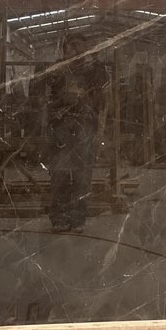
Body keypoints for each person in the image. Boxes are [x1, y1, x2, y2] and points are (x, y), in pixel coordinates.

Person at [45, 33, 108, 233]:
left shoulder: (93, 70)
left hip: (84, 127)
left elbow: (103, 83)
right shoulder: (58, 68)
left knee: (82, 176)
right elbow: (45, 85)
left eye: (79, 46)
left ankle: (78, 218)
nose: (75, 50)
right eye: (71, 46)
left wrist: (95, 59)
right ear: (65, 49)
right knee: (60, 175)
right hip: (61, 127)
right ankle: (59, 218)